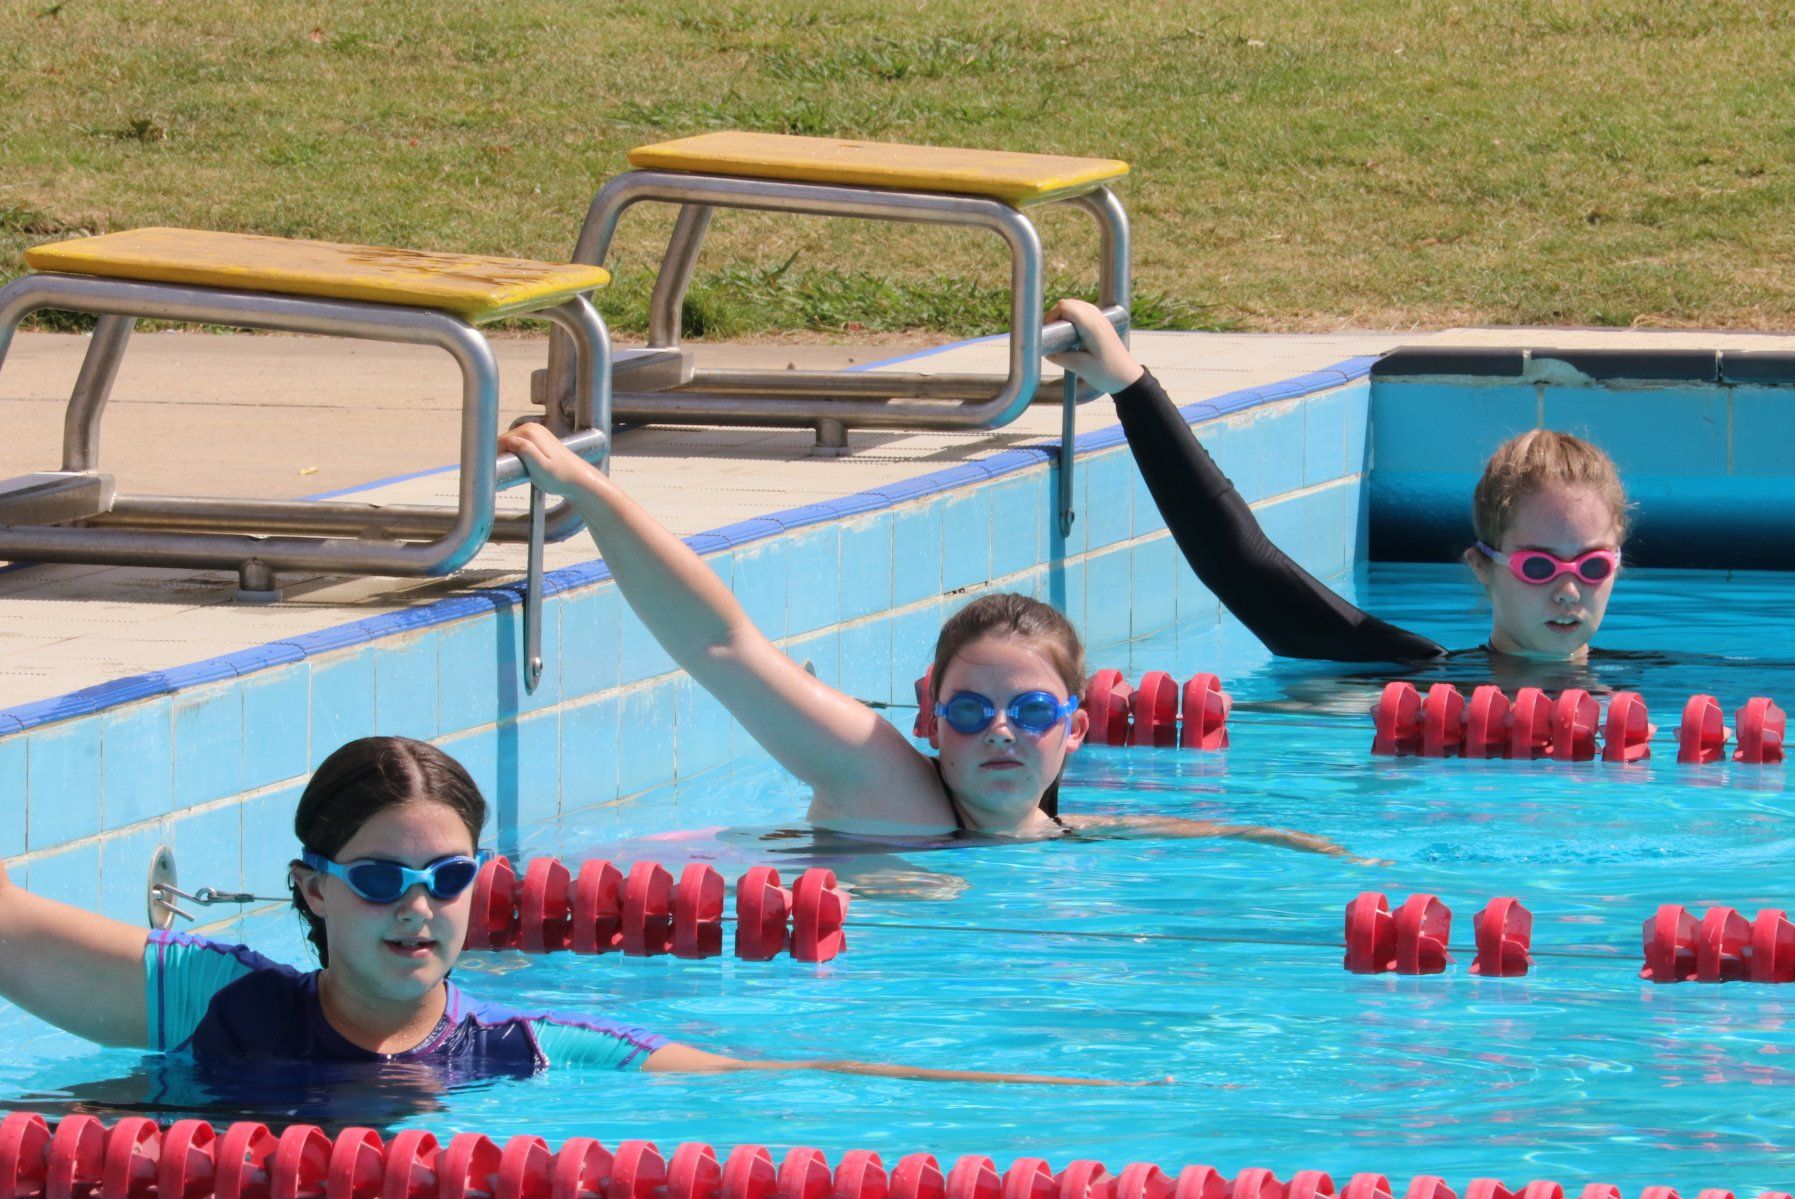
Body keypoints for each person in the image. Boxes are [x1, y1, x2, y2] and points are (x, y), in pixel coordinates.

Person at [0, 736, 1126, 1085]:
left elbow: (757, 1076)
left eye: (448, 876)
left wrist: (1023, 1085)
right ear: (314, 887)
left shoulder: (518, 1049)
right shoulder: (217, 996)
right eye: (381, 878)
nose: (419, 908)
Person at [500, 426, 1345, 855]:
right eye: (971, 710)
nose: (1002, 730)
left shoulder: (1070, 837)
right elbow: (724, 645)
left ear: (1076, 728)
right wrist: (587, 491)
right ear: (928, 717)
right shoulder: (886, 789)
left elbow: (1132, 830)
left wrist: (1276, 840)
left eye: (1032, 711)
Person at [1045, 299, 1630, 666]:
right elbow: (1243, 565)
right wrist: (1130, 386)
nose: (1568, 590)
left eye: (1593, 566)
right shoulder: (1416, 680)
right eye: (1538, 566)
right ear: (1483, 567)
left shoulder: (1671, 686)